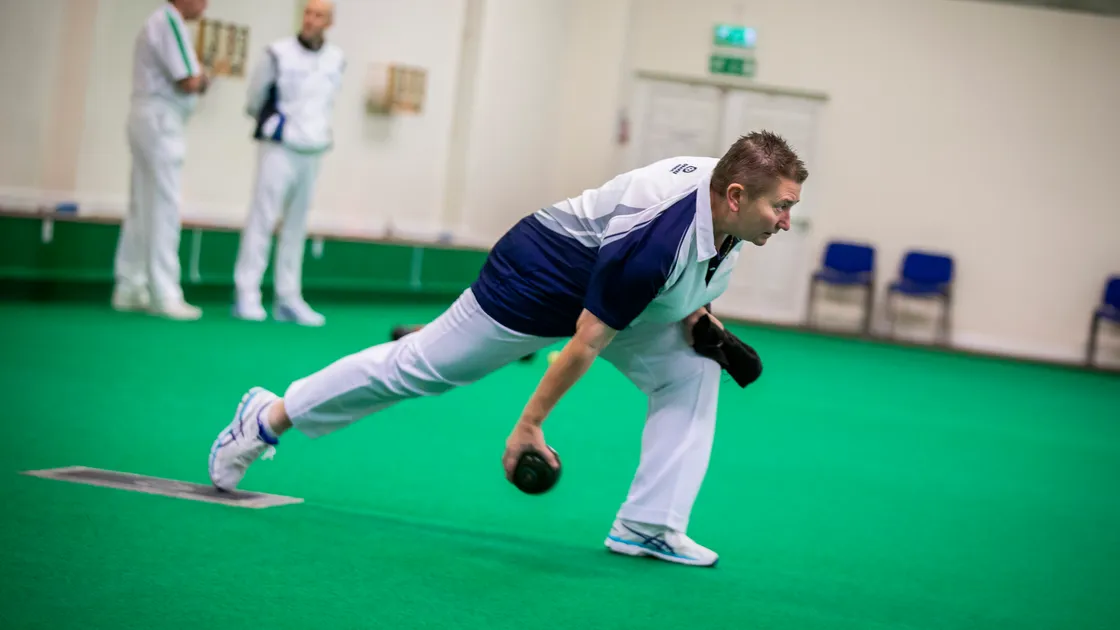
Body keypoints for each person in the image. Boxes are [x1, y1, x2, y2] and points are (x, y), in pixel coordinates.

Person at [208, 131, 808, 567]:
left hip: (612, 288)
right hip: (537, 281)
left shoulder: (722, 205)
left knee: (691, 370)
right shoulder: (658, 239)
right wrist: (529, 426)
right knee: (419, 369)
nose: (785, 221)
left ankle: (649, 524)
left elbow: (684, 274)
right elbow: (586, 341)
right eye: (780, 207)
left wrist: (701, 321)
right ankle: (267, 416)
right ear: (735, 195)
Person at [231, 0, 345, 326]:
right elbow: (254, 99)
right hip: (279, 148)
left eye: (318, 15)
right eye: (308, 13)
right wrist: (276, 126)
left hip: (314, 150)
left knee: (297, 226)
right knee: (262, 219)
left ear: (329, 22)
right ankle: (246, 293)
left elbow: (327, 102)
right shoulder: (277, 53)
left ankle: (288, 297)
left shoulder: (337, 59)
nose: (311, 20)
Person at [112, 0, 210, 320]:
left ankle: (130, 286)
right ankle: (165, 293)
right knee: (165, 207)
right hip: (161, 121)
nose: (207, 3)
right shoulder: (170, 21)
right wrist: (206, 78)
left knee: (142, 205)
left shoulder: (157, 21)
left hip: (147, 118)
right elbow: (189, 80)